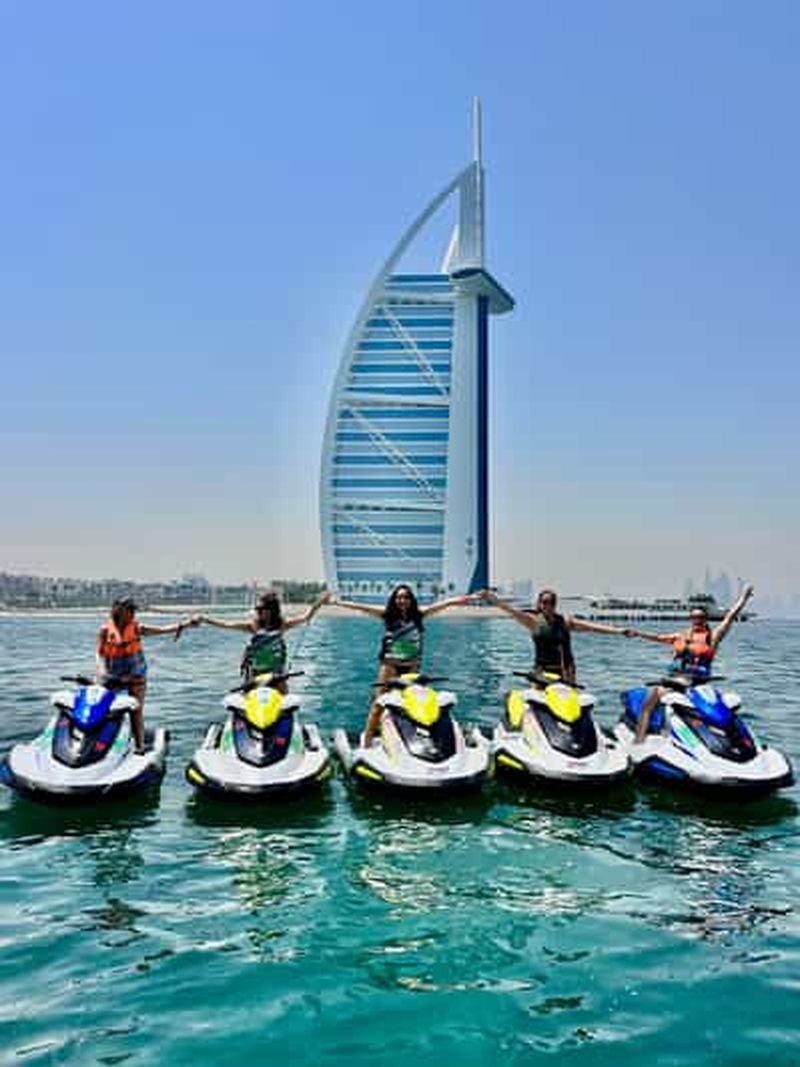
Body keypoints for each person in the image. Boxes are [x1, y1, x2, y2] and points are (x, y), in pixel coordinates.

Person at [332, 584, 477, 745]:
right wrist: (337, 602)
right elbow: (361, 607)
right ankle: (366, 743)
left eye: (406, 597)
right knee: (379, 703)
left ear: (411, 600)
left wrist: (467, 598)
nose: (402, 600)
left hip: (412, 665)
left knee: (413, 703)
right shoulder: (387, 615)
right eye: (399, 597)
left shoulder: (419, 615)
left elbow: (444, 605)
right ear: (394, 600)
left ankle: (410, 740)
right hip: (391, 665)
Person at [627, 584, 755, 742]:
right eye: (694, 617)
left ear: (705, 619)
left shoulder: (712, 637)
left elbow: (730, 617)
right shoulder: (680, 636)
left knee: (715, 710)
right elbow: (657, 637)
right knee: (648, 705)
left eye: (700, 617)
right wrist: (638, 633)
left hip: (697, 683)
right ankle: (639, 742)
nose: (697, 620)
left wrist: (744, 598)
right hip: (674, 681)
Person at [96, 596, 199, 754]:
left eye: (133, 610)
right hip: (112, 675)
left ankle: (140, 747)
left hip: (135, 675)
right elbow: (100, 654)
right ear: (118, 610)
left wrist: (184, 625)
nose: (133, 614)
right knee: (102, 708)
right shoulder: (104, 631)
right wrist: (102, 671)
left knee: (135, 710)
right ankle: (97, 745)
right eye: (130, 610)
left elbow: (162, 630)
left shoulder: (136, 628)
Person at [480, 587, 633, 684]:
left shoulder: (565, 622)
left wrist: (619, 631)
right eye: (545, 602)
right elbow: (510, 610)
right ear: (539, 603)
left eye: (551, 602)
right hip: (542, 670)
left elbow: (592, 627)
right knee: (539, 705)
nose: (548, 605)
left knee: (568, 705)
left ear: (555, 604)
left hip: (566, 670)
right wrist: (492, 598)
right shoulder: (532, 621)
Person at [199, 589, 331, 691]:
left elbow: (305, 617)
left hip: (276, 673)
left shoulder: (282, 625)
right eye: (257, 609)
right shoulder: (254, 626)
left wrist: (319, 603)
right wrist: (205, 619)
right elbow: (227, 625)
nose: (257, 611)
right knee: (249, 695)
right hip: (255, 672)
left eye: (260, 609)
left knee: (283, 693)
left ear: (270, 610)